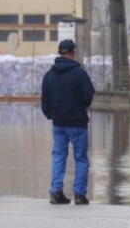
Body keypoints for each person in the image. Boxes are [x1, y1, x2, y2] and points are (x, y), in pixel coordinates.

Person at [41, 39, 95, 205]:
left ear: (60, 53)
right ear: (72, 53)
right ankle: (79, 194)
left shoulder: (49, 75)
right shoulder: (79, 74)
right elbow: (88, 95)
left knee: (58, 156)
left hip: (58, 124)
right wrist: (80, 108)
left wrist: (52, 115)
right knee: (80, 158)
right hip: (77, 123)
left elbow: (45, 101)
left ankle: (56, 192)